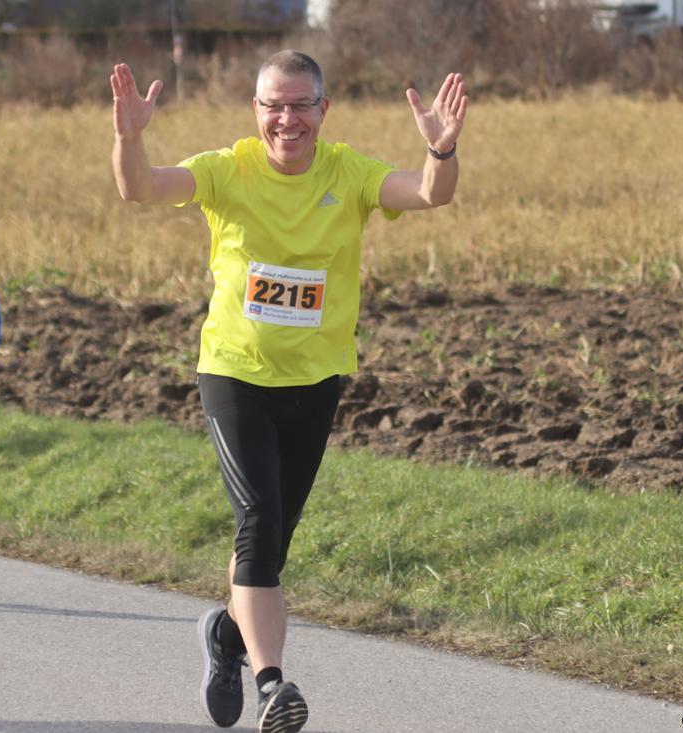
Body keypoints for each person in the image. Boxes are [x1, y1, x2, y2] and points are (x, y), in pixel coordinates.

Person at [110, 51, 466, 732]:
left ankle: (225, 638)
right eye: (274, 104)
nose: (287, 118)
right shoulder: (228, 168)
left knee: (269, 545)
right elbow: (141, 189)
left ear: (323, 111)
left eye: (301, 104)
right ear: (257, 111)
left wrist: (441, 149)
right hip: (235, 372)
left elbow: (429, 193)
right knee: (258, 521)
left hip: (316, 380)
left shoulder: (349, 173)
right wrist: (129, 137)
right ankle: (274, 683)